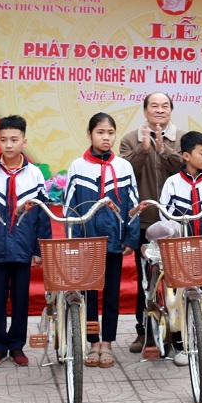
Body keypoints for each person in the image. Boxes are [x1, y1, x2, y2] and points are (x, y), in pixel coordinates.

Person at [0, 115, 52, 368]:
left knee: (20, 300)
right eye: (4, 139)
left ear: (24, 141)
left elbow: (43, 215)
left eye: (14, 139)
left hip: (23, 248)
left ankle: (17, 346)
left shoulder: (35, 174)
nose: (9, 144)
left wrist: (39, 249)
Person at [65, 113, 139, 368]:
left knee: (111, 294)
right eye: (100, 132)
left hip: (115, 241)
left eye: (110, 132)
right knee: (88, 294)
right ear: (89, 134)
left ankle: (107, 343)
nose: (106, 137)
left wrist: (131, 237)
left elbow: (133, 205)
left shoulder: (124, 167)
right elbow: (69, 208)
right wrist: (74, 241)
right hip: (87, 242)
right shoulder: (77, 167)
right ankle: (93, 342)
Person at [158, 131, 202, 367]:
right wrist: (178, 242)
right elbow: (165, 217)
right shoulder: (172, 183)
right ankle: (181, 346)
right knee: (181, 298)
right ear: (186, 156)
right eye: (201, 153)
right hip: (181, 251)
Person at [119, 92, 184, 354]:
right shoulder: (129, 139)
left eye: (165, 106)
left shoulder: (182, 138)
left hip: (176, 221)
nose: (159, 110)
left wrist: (163, 150)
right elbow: (124, 172)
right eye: (154, 106)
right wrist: (143, 150)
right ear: (145, 111)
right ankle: (144, 332)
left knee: (177, 278)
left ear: (171, 110)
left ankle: (177, 334)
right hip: (145, 221)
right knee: (147, 280)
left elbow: (187, 168)